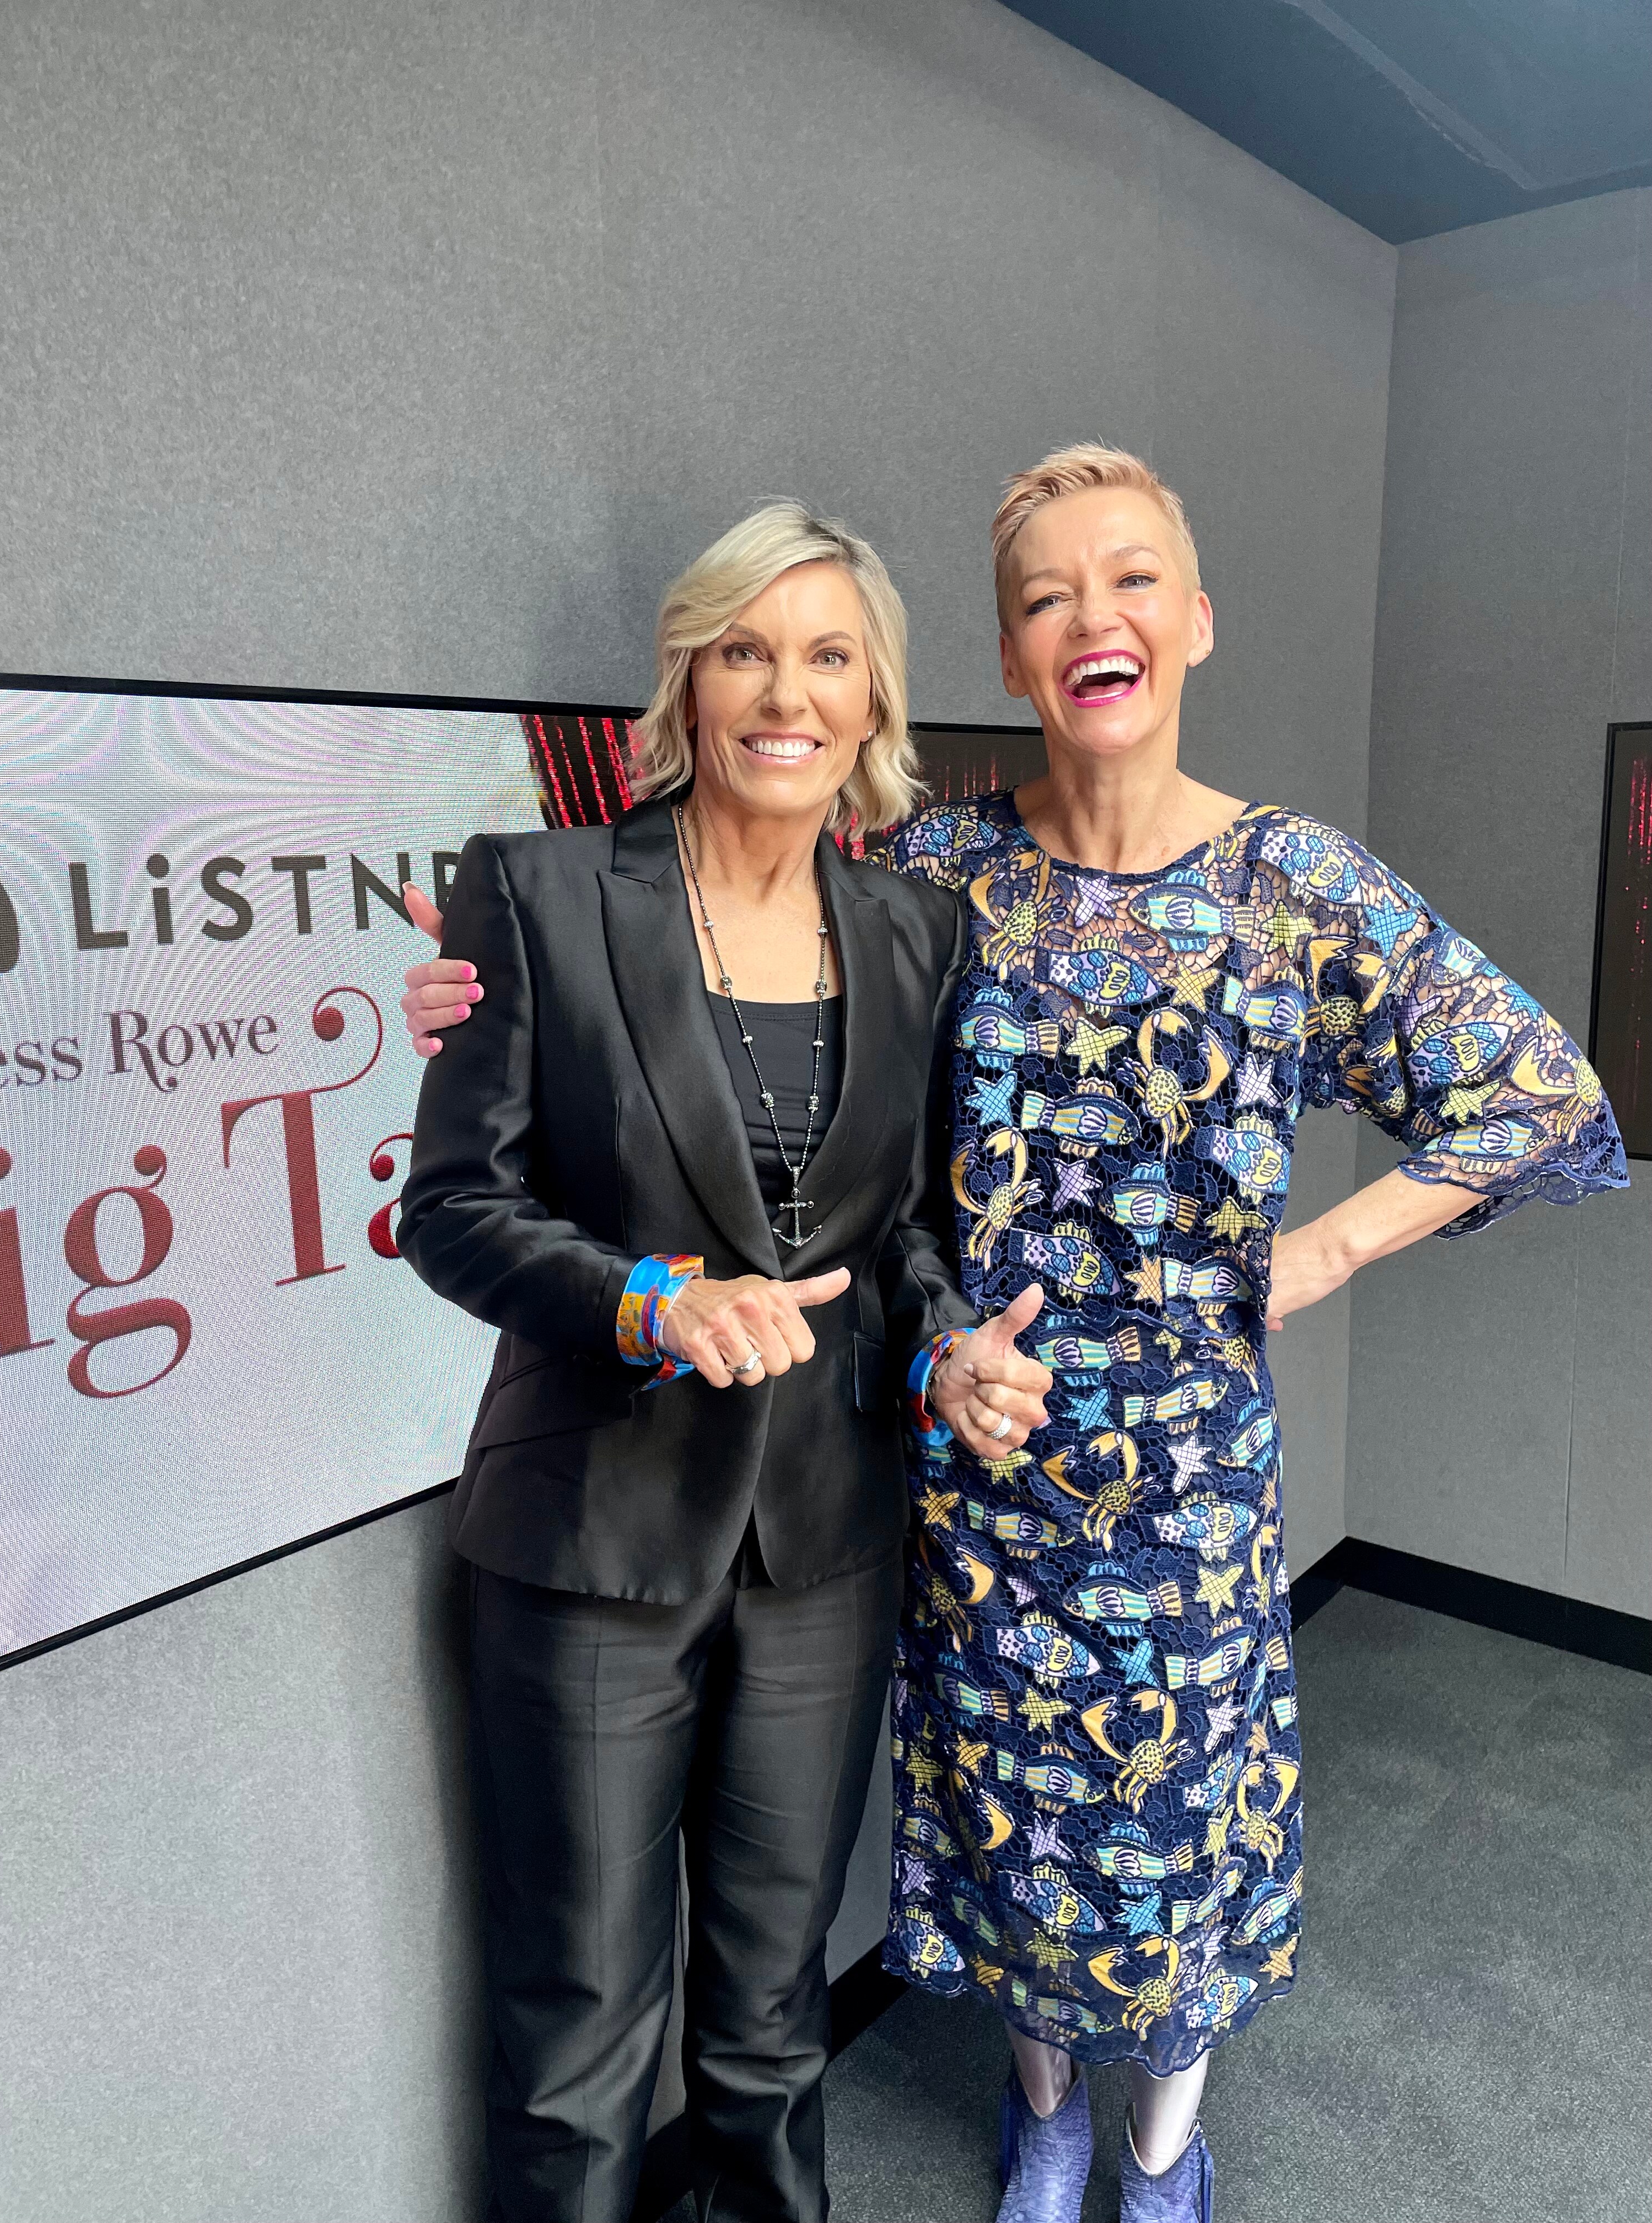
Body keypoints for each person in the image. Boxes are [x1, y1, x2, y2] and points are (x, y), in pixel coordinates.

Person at [403, 447, 1627, 2223]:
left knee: (1152, 1842)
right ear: (1007, 651)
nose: (1093, 619)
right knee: (993, 1831)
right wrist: (454, 989)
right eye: (1048, 596)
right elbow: (677, 944)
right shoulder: (945, 875)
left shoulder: (1270, 881)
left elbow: (1537, 1089)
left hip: (1162, 1465)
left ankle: (1157, 2144)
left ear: (1194, 622)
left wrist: (1326, 1250)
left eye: (1131, 582)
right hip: (955, 1446)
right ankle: (1045, 2120)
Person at [392, 500, 1053, 2223]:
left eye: (829, 655)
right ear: (688, 683)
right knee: (580, 2037)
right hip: (586, 1545)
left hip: (827, 1548)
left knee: (768, 2026)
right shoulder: (533, 893)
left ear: (871, 702)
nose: (788, 691)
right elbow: (452, 1208)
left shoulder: (918, 935)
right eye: (747, 649)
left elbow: (899, 1236)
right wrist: (644, 1303)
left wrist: (947, 1362)